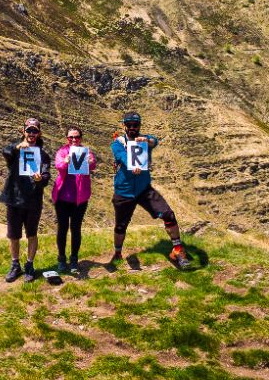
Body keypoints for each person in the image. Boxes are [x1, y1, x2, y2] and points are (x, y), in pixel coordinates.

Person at [109, 112, 192, 270]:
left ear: (139, 125)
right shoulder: (118, 143)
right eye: (130, 125)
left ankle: (178, 249)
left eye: (136, 125)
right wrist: (132, 165)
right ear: (124, 126)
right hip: (124, 191)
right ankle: (118, 253)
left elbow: (155, 140)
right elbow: (120, 156)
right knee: (120, 226)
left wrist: (146, 140)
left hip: (144, 189)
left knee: (168, 214)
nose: (133, 128)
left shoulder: (145, 139)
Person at [0, 117, 51, 283]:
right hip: (14, 198)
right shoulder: (15, 149)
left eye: (35, 131)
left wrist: (39, 179)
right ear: (24, 131)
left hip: (33, 201)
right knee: (14, 235)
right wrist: (17, 147)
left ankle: (29, 264)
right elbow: (5, 152)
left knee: (31, 234)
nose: (31, 133)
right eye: (29, 130)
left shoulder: (43, 155)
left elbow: (46, 178)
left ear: (39, 133)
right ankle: (15, 265)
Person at [52, 127, 96, 273]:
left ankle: (74, 260)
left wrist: (90, 162)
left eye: (76, 137)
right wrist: (66, 161)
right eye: (71, 137)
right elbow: (58, 166)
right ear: (66, 138)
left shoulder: (86, 152)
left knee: (76, 229)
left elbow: (93, 164)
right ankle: (61, 259)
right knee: (63, 228)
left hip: (80, 199)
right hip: (63, 198)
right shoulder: (62, 151)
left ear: (81, 138)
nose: (73, 140)